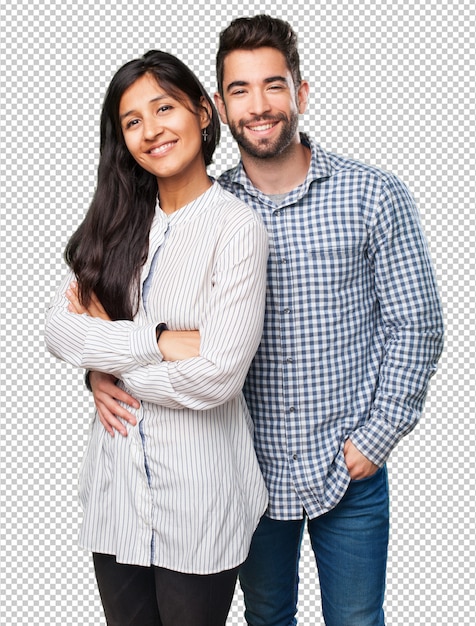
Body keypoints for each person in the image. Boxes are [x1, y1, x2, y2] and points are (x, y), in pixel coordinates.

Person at [87, 15, 445, 626]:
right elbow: (117, 311)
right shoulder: (204, 211)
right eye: (240, 91)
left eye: (273, 86)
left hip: (348, 468)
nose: (259, 106)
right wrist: (101, 371)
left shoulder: (373, 195)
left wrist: (376, 438)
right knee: (267, 618)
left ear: (300, 94)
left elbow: (417, 325)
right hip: (248, 477)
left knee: (357, 620)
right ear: (220, 109)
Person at [45, 49, 269, 626]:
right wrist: (162, 339)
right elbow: (58, 330)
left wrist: (110, 363)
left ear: (201, 112)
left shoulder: (236, 226)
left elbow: (218, 374)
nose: (151, 131)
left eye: (164, 108)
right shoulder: (117, 223)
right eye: (132, 121)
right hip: (116, 497)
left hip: (200, 500)